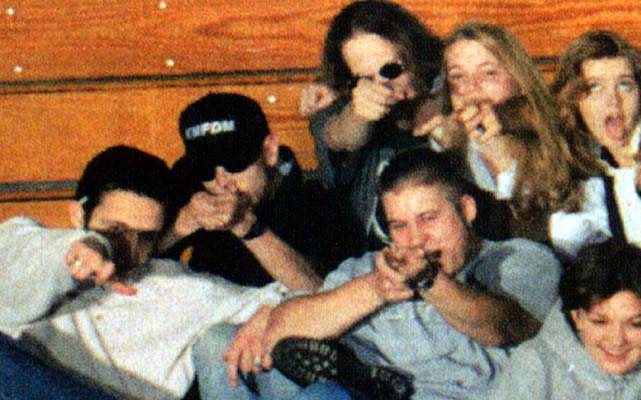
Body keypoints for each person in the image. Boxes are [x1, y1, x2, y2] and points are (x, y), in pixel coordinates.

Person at [195, 147, 563, 399]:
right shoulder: (373, 267)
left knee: (320, 393)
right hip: (348, 388)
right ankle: (359, 382)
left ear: (466, 210)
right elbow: (283, 331)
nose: (415, 239)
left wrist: (428, 280)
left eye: (428, 218)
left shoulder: (519, 259)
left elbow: (501, 326)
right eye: (399, 225)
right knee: (222, 343)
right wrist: (377, 288)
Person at [0, 145, 290, 399]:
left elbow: (296, 295)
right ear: (78, 215)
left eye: (146, 236)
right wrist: (86, 246)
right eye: (115, 230)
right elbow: (14, 249)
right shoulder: (40, 259)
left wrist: (269, 311)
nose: (129, 248)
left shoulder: (179, 287)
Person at [415, 22, 610, 261]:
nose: (471, 88)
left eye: (489, 73)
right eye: (458, 76)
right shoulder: (445, 152)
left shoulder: (567, 144)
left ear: (519, 80)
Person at [160, 92, 349, 289]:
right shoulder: (190, 184)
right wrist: (181, 224)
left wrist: (247, 226)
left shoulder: (320, 200)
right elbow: (140, 265)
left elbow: (328, 294)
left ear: (269, 151)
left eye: (234, 163)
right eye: (205, 168)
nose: (222, 181)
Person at [302, 0, 444, 251]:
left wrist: (441, 104)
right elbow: (337, 136)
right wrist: (358, 114)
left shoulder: (451, 84)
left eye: (391, 70)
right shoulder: (338, 102)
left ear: (415, 57)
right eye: (365, 78)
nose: (381, 86)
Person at [490, 241, 641, 399]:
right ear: (577, 317)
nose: (617, 340)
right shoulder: (536, 365)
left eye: (636, 324)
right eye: (600, 322)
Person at [553, 30, 641, 246]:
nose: (614, 100)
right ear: (574, 100)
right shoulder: (570, 162)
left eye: (625, 84)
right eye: (595, 87)